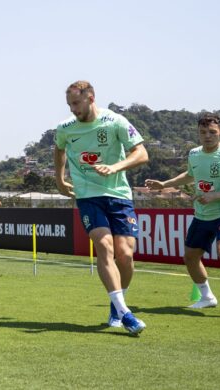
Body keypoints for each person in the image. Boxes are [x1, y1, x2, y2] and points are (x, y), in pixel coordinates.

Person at [54, 81, 149, 335]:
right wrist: (60, 179)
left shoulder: (115, 121)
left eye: (76, 103)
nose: (72, 109)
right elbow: (59, 149)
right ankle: (125, 313)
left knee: (126, 255)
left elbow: (141, 154)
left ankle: (116, 304)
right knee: (104, 246)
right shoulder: (65, 128)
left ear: (90, 98)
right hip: (88, 196)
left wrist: (115, 167)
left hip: (119, 195)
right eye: (69, 105)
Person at [145, 113, 220, 315]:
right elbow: (190, 175)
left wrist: (215, 196)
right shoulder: (194, 154)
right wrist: (164, 184)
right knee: (191, 257)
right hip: (202, 215)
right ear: (198, 134)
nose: (207, 136)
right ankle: (207, 297)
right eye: (203, 132)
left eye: (212, 132)